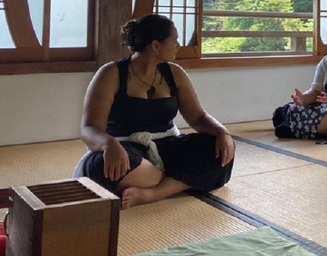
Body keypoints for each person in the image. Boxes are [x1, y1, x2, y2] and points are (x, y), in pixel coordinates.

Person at [76, 14, 235, 209]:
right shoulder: (111, 74)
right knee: (100, 167)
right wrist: (109, 144)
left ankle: (155, 192)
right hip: (126, 147)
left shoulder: (175, 73)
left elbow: (199, 117)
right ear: (155, 46)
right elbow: (89, 128)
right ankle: (182, 180)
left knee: (221, 150)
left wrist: (222, 132)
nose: (178, 45)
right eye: (174, 40)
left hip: (168, 145)